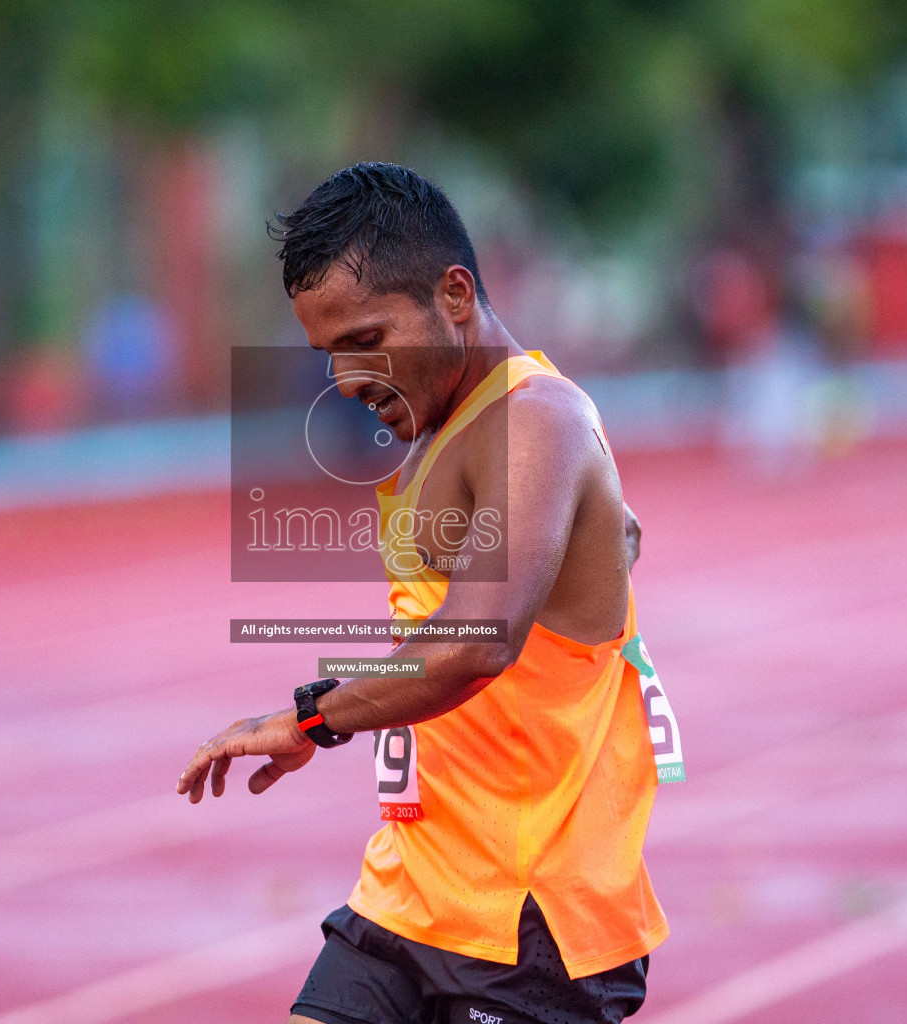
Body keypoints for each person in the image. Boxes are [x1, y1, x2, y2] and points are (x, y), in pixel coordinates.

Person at [178, 163, 677, 1024]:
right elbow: (606, 541)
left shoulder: (535, 421)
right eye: (327, 351)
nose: (345, 378)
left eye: (365, 338)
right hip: (411, 889)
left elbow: (475, 641)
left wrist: (311, 716)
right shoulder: (451, 419)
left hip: (529, 923)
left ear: (454, 293)